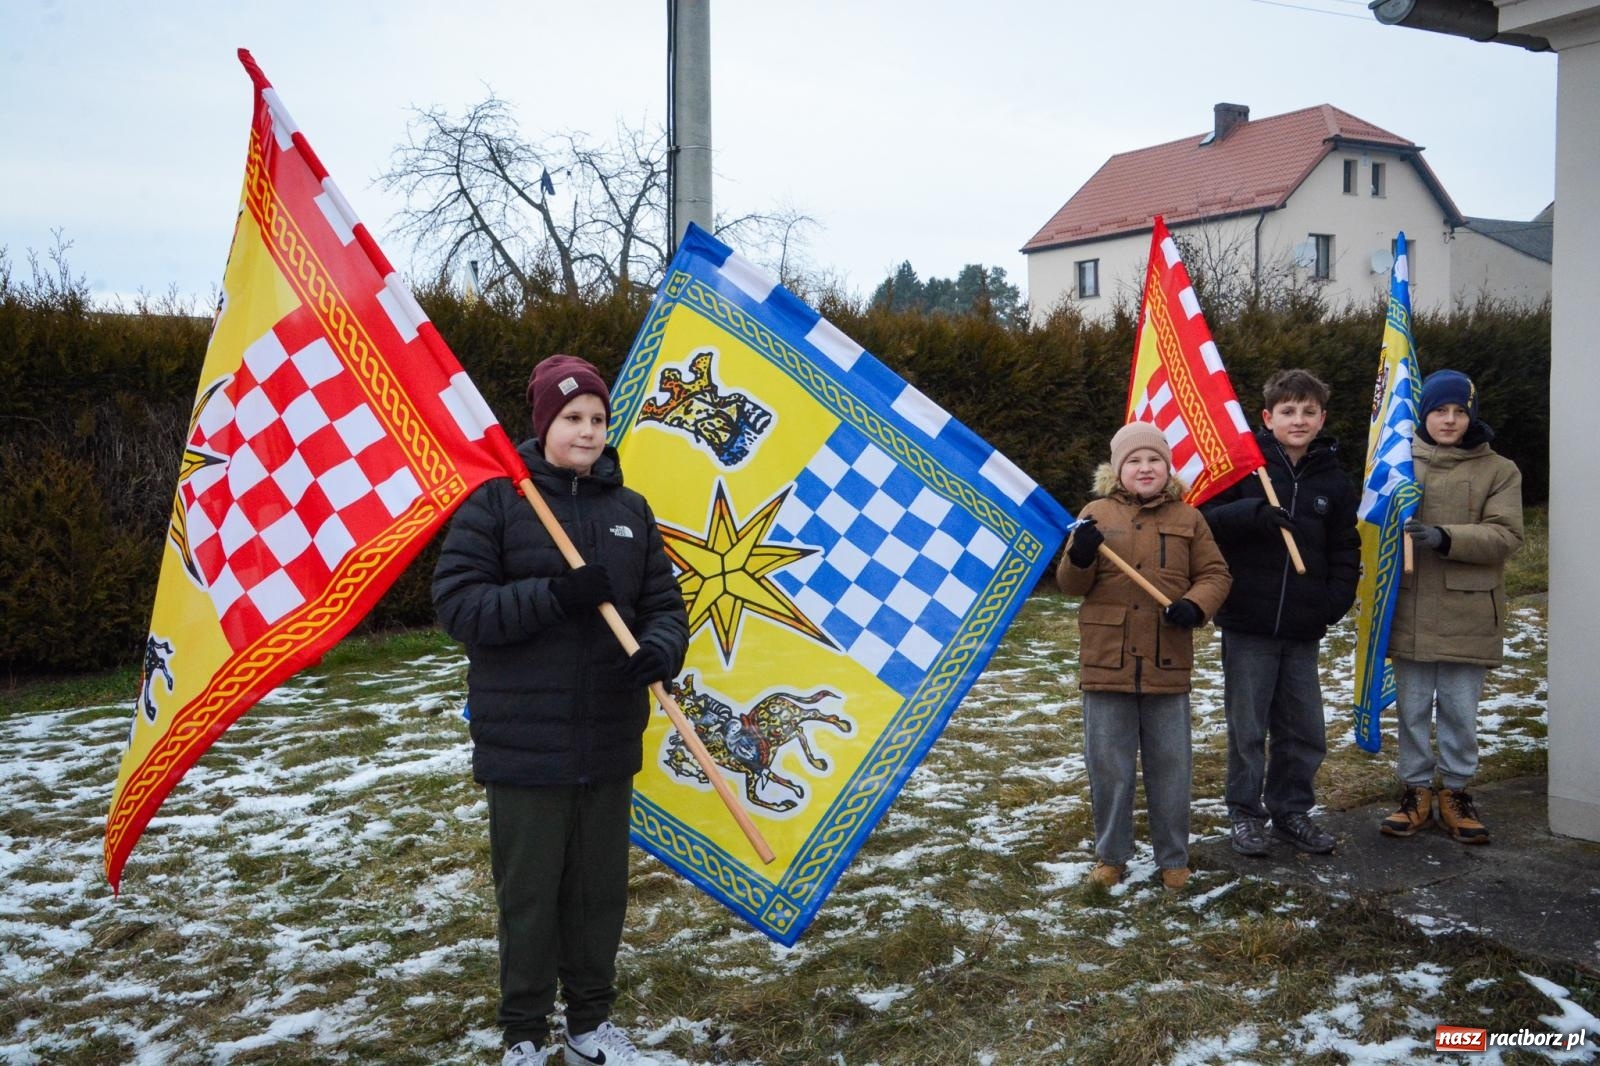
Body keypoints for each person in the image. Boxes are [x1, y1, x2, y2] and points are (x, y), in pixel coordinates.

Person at [432, 354, 689, 1066]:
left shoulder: (630, 511)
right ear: (544, 423)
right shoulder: (496, 502)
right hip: (526, 742)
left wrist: (658, 651)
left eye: (599, 419)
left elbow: (665, 607)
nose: (587, 431)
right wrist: (553, 594)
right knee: (531, 897)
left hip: (607, 735)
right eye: (572, 418)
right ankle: (522, 1034)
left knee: (598, 894)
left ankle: (588, 1027)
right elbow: (459, 606)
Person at [1056, 422, 1232, 892]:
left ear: (1167, 467)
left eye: (1154, 459)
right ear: (1118, 470)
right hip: (1106, 662)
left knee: (1171, 766)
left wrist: (1195, 605)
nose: (1145, 468)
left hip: (1166, 661)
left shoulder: (1189, 518)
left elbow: (1215, 574)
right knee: (1109, 766)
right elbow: (1071, 586)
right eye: (1134, 461)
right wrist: (1081, 555)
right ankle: (1111, 854)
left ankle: (1173, 856)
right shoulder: (1094, 513)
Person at [1200, 369, 1361, 857]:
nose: (1299, 419)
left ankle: (1290, 810)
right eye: (1288, 411)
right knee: (1248, 728)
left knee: (1303, 727)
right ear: (1267, 418)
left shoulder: (1333, 480)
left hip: (1303, 625)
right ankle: (1245, 814)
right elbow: (1203, 523)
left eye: (1308, 411)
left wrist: (1333, 602)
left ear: (1322, 418)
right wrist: (1250, 514)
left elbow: (1344, 548)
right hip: (1249, 621)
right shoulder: (1243, 469)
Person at [1380, 369, 1522, 845]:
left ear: (1472, 416)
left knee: (1460, 709)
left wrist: (1444, 537)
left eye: (1460, 411)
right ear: (1423, 414)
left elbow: (1506, 535)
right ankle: (1415, 790)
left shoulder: (1498, 470)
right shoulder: (1399, 463)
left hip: (1468, 611)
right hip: (1410, 605)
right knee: (1413, 707)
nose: (1449, 419)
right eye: (1440, 410)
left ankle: (1457, 792)